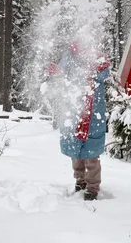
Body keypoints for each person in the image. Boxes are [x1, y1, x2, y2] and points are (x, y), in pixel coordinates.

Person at [48, 43, 110, 201]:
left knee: (92, 153)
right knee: (75, 151)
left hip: (92, 110)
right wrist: (57, 73)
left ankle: (93, 187)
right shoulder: (68, 55)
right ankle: (80, 180)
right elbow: (62, 75)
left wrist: (101, 68)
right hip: (73, 110)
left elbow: (104, 76)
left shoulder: (96, 54)